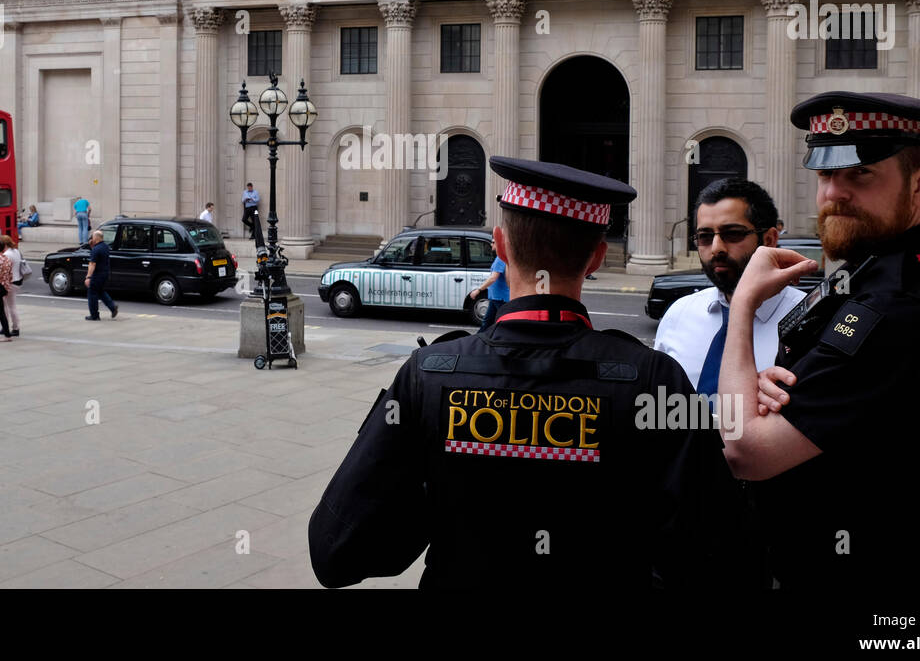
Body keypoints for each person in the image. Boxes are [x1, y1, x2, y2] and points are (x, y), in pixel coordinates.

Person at [309, 157, 742, 589]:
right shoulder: (655, 381)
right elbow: (715, 554)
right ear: (596, 257)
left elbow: (336, 553)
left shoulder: (430, 375)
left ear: (500, 246)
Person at [722, 91, 920, 589]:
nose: (834, 193)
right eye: (826, 175)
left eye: (861, 174)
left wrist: (743, 305)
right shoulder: (886, 273)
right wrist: (767, 385)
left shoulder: (904, 306)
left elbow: (745, 449)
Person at [655, 179, 803, 398]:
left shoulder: (808, 320)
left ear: (770, 239)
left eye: (732, 234)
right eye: (705, 237)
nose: (716, 249)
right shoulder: (679, 314)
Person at [466, 239, 508, 328]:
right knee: (488, 322)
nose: (491, 244)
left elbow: (493, 278)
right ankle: (481, 340)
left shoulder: (500, 259)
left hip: (500, 298)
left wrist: (478, 290)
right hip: (496, 297)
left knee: (499, 323)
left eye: (493, 242)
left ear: (499, 244)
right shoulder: (500, 257)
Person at [84, 228, 118, 321]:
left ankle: (94, 315)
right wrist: (92, 246)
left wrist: (88, 277)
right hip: (105, 274)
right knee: (100, 291)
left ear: (96, 238)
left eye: (93, 237)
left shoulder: (96, 249)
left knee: (92, 293)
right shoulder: (105, 247)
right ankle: (112, 307)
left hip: (97, 275)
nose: (92, 239)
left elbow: (92, 264)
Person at [0, 234, 26, 337]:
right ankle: (9, 327)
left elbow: (4, 271)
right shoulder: (16, 251)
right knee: (9, 305)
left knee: (8, 306)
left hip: (10, 282)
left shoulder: (7, 254)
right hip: (18, 280)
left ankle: (14, 328)